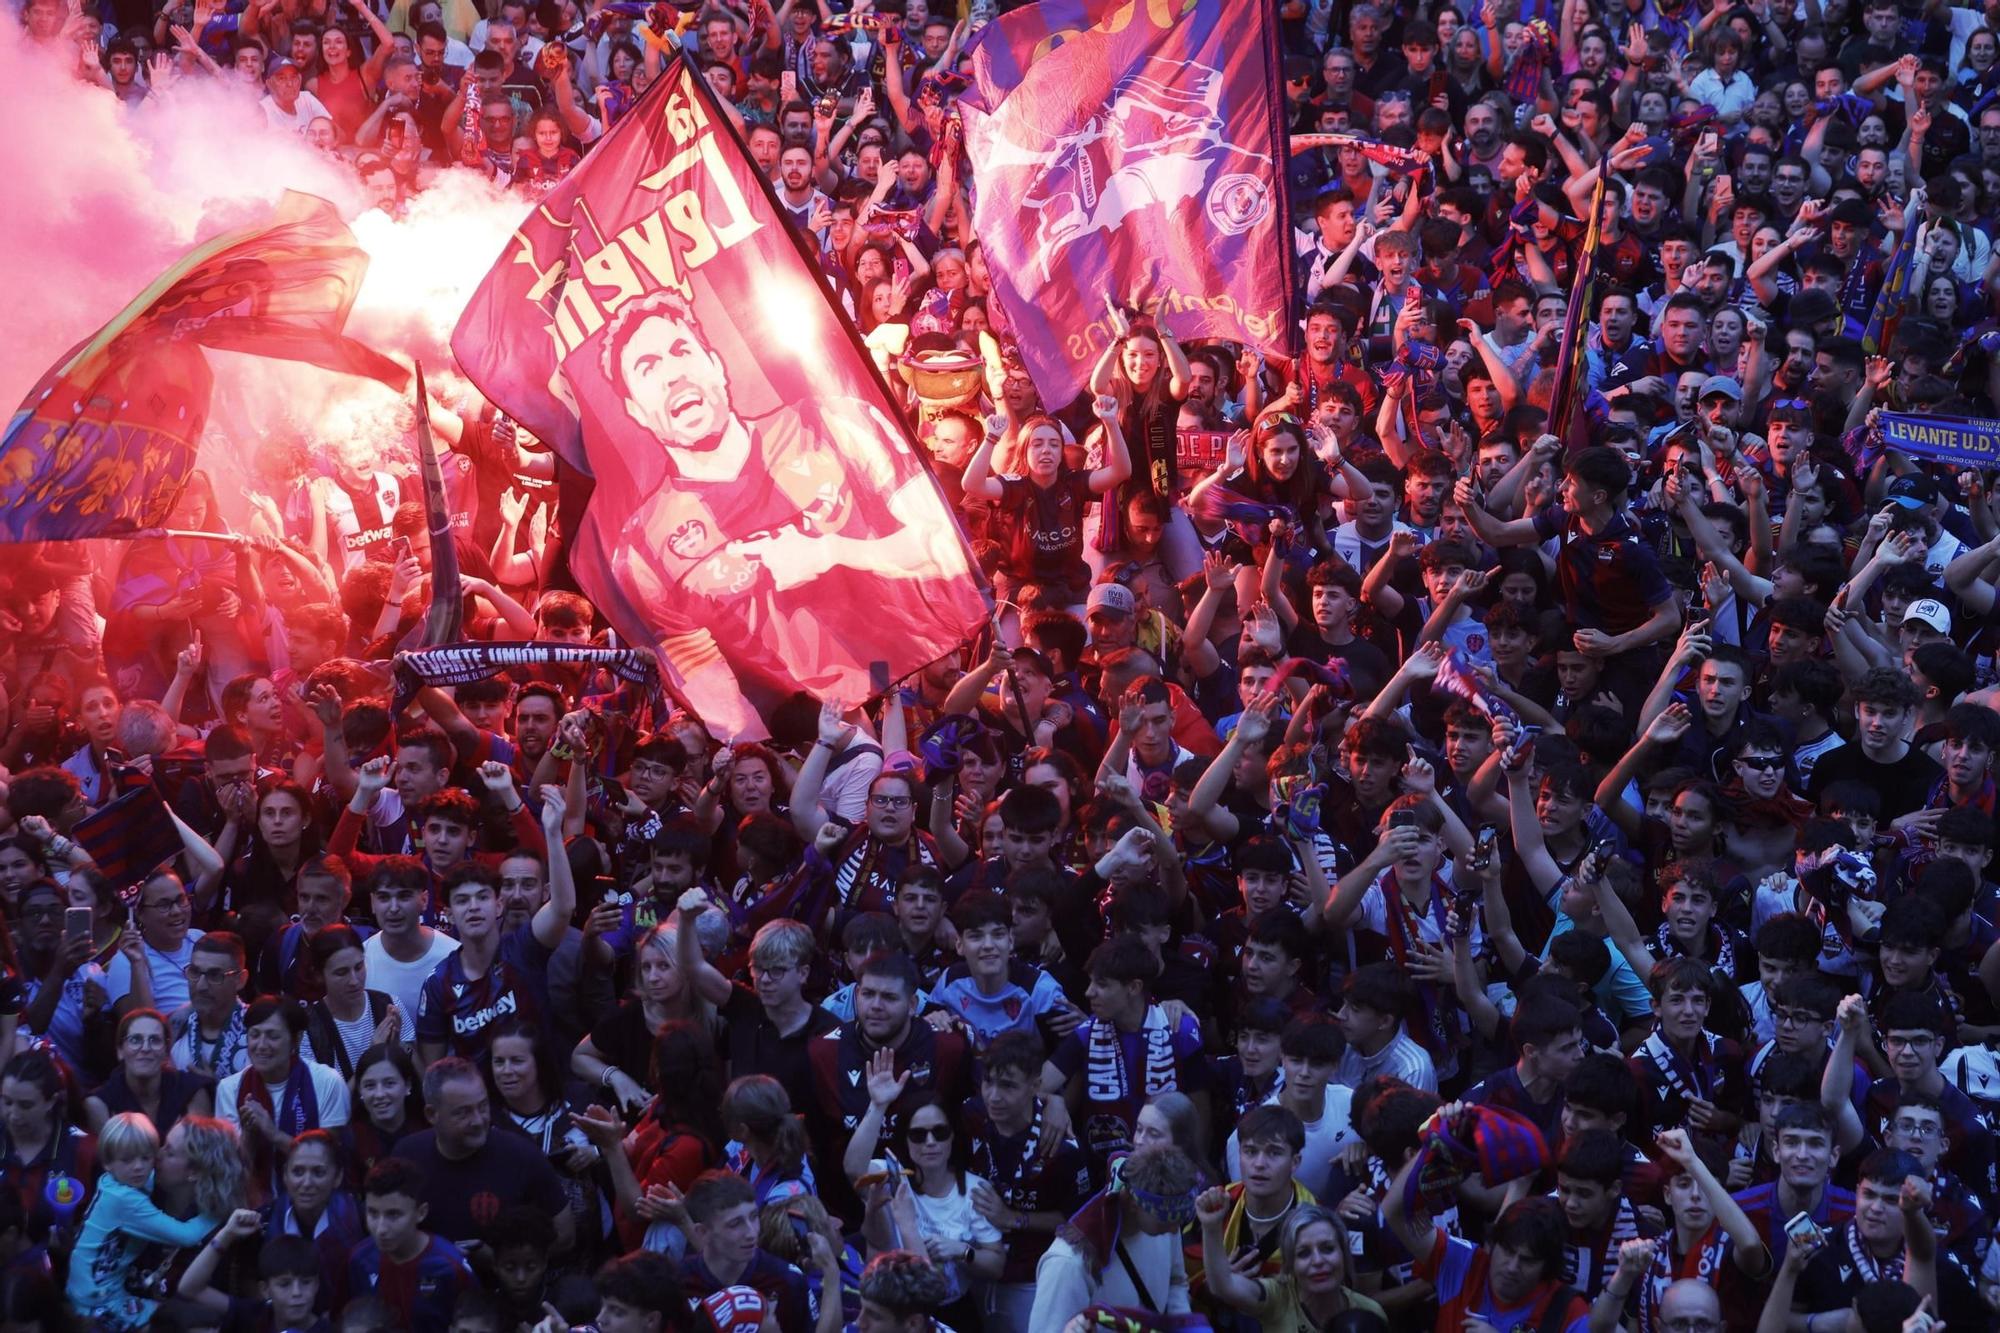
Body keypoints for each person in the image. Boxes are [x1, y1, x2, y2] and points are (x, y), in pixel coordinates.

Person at [65, 1112, 257, 1331]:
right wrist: (218, 1211)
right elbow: (187, 1235)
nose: (157, 1155)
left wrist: (223, 1207)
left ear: (194, 1172)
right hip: (96, 1303)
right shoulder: (133, 1193)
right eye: (163, 1145)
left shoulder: (223, 1232)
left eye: (169, 1151)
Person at [344, 1157, 474, 1333]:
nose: (381, 1228)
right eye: (373, 1213)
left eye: (393, 1215)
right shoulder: (358, 1260)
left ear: (421, 1213)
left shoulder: (451, 1267)